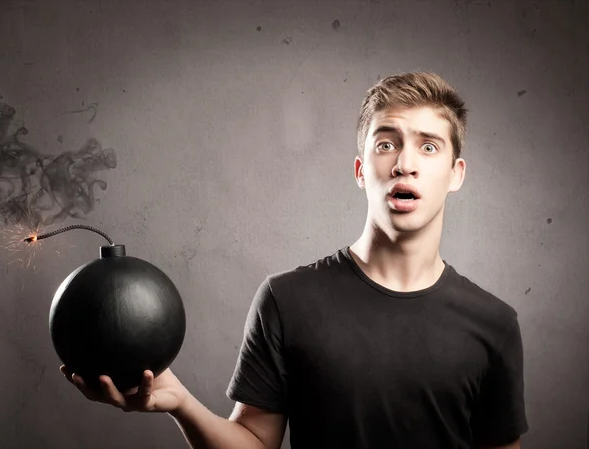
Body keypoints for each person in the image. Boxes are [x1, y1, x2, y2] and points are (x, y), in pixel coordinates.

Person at [61, 71, 529, 449]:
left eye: (429, 146)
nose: (405, 162)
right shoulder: (288, 300)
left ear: (455, 174)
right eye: (386, 143)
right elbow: (253, 443)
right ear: (361, 171)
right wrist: (181, 402)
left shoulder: (494, 324)